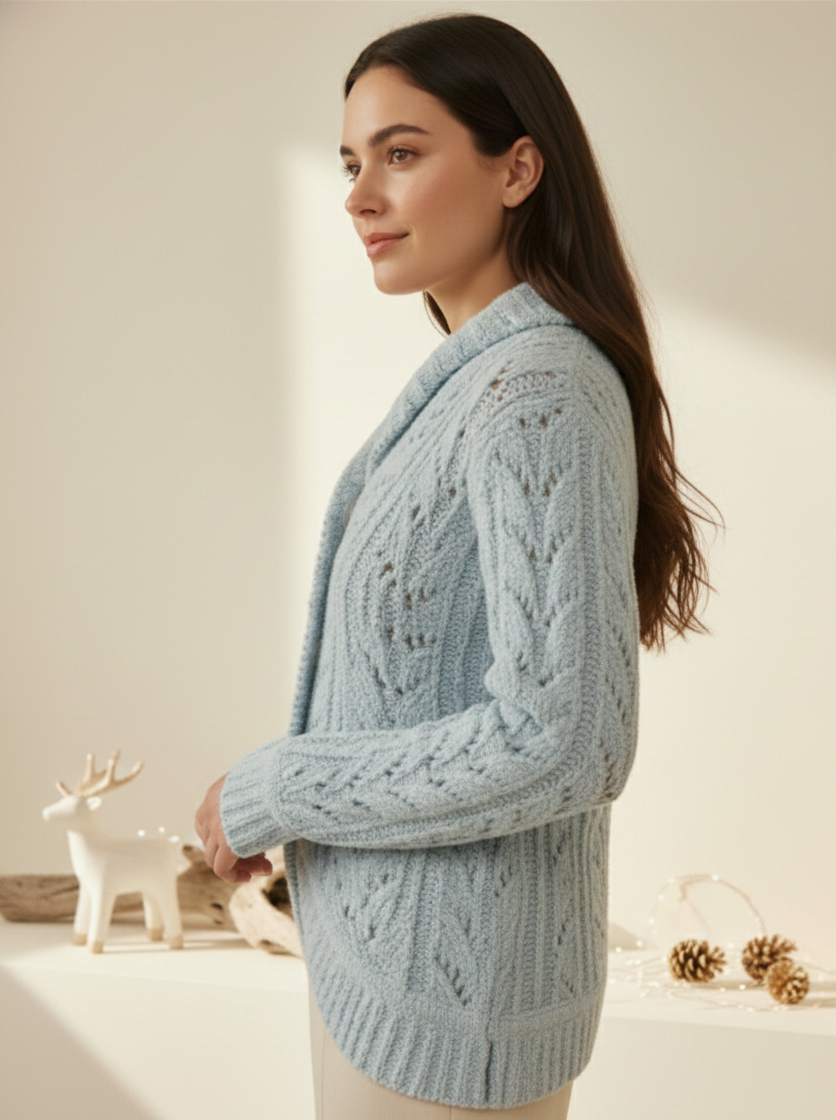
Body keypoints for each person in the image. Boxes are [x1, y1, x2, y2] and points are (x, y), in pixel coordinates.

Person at [195, 12, 723, 1119]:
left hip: (451, 1014)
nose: (358, 195)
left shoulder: (533, 386)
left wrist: (277, 788)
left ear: (517, 166)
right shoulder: (479, 382)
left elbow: (561, 738)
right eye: (349, 162)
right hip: (399, 985)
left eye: (401, 152)